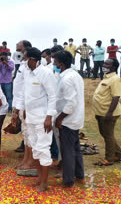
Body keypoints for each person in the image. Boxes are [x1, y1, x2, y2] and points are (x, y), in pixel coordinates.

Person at [15, 47, 57, 191]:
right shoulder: (27, 72)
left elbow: (52, 96)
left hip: (43, 118)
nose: (23, 61)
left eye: (25, 58)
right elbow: (25, 93)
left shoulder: (46, 73)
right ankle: (40, 179)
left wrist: (49, 117)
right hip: (30, 118)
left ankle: (45, 183)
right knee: (35, 150)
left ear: (33, 59)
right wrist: (24, 109)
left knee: (43, 149)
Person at [53, 50, 85, 187]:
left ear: (60, 64)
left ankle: (68, 180)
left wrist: (59, 118)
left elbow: (70, 103)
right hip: (75, 119)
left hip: (68, 120)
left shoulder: (67, 79)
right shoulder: (75, 75)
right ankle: (79, 175)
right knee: (75, 149)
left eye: (55, 61)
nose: (53, 64)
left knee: (67, 152)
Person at [92, 58, 121, 165]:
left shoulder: (115, 79)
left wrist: (109, 113)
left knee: (108, 135)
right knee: (106, 134)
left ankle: (109, 158)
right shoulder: (106, 77)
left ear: (113, 67)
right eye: (104, 63)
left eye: (107, 64)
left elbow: (116, 97)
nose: (104, 65)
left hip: (108, 113)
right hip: (101, 112)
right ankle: (119, 154)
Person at [12, 40, 36, 175]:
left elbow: (30, 89)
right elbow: (19, 88)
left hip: (29, 105)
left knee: (31, 134)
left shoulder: (34, 67)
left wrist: (25, 106)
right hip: (21, 104)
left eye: (20, 49)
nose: (18, 52)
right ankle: (27, 159)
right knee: (26, 134)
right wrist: (16, 108)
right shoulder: (22, 64)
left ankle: (31, 161)